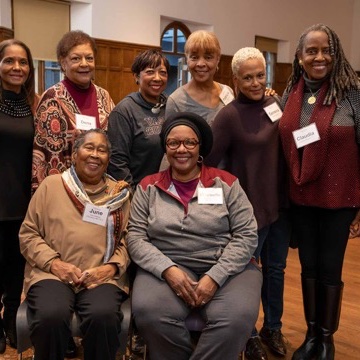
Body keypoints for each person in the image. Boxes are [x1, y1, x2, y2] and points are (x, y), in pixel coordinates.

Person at [127, 111, 262, 360]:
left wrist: (216, 276)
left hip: (228, 265)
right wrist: (168, 270)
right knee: (149, 312)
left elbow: (246, 235)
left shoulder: (227, 183)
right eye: (173, 143)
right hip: (167, 265)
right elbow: (135, 237)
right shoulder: (148, 186)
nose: (182, 149)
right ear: (165, 148)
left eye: (189, 142)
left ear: (200, 147)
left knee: (237, 317)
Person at [278, 23, 360, 360]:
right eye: (311, 51)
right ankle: (311, 334)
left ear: (336, 53)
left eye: (326, 50)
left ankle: (326, 340)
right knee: (308, 267)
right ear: (299, 57)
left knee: (330, 269)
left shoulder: (353, 94)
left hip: (340, 201)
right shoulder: (290, 95)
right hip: (301, 199)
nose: (320, 56)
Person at [205, 47, 290, 360]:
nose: (255, 83)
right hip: (250, 210)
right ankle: (249, 333)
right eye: (248, 77)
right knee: (248, 274)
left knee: (276, 270)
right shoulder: (228, 116)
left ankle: (274, 326)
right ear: (235, 79)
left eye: (260, 76)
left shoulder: (274, 103)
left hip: (280, 204)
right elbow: (208, 162)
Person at [19, 129, 131, 360]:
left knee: (103, 317)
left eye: (102, 150)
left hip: (101, 276)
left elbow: (128, 241)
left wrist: (109, 268)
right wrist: (55, 264)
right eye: (89, 147)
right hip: (52, 274)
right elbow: (28, 234)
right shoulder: (51, 186)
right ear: (75, 153)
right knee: (51, 315)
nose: (95, 155)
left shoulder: (118, 194)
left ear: (108, 159)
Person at [32, 30, 114, 193]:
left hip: (101, 190)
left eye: (89, 58)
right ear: (63, 63)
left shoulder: (104, 96)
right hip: (65, 191)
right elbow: (48, 160)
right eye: (76, 58)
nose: (84, 64)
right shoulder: (52, 98)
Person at [0, 38, 38, 354]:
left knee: (16, 270)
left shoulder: (32, 105)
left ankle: (12, 322)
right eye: (9, 61)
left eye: (23, 62)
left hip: (23, 203)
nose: (17, 67)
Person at [107, 49, 169, 190]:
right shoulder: (124, 111)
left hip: (167, 192)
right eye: (150, 72)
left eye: (163, 72)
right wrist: (135, 196)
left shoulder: (171, 106)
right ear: (136, 76)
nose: (157, 78)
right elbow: (117, 163)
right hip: (138, 193)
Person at [165, 30, 234, 125]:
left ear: (218, 59)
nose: (201, 64)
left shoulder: (227, 92)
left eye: (208, 57)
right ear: (187, 59)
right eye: (194, 57)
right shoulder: (176, 101)